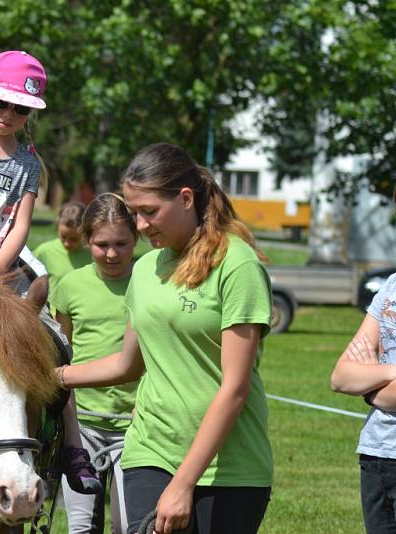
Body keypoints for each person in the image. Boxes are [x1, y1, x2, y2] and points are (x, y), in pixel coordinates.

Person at [58, 143, 274, 533]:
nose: (140, 225)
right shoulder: (145, 271)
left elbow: (235, 388)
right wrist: (53, 377)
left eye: (149, 212)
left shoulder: (237, 265)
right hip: (150, 450)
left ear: (186, 199)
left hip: (228, 468)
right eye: (134, 212)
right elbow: (127, 364)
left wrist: (184, 484)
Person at [54, 193, 139, 533]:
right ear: (87, 240)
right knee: (81, 527)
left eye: (122, 243)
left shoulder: (150, 280)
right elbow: (63, 353)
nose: (112, 253)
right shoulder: (71, 285)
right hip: (82, 427)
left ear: (137, 239)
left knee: (129, 525)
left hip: (136, 426)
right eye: (102, 244)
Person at [331, 273, 396, 533]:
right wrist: (390, 372)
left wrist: (370, 390)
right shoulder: (393, 284)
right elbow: (341, 377)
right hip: (377, 456)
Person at [34, 201, 92, 294]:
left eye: (74, 239)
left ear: (85, 234)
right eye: (63, 237)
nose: (67, 243)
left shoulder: (93, 255)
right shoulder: (44, 251)